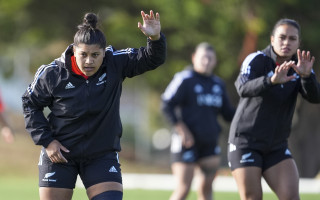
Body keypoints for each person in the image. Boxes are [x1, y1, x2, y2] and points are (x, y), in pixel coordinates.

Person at [22, 10, 166, 200]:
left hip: (101, 154)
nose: (89, 61)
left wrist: (155, 38)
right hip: (60, 155)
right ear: (74, 51)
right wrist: (47, 142)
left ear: (104, 53)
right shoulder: (52, 73)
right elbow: (29, 103)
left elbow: (151, 58)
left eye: (95, 55)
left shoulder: (115, 62)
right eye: (83, 54)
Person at [228, 18, 320, 200]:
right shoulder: (256, 60)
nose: (286, 42)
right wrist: (271, 81)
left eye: (292, 39)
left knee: (291, 197)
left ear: (298, 43)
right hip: (246, 142)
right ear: (272, 40)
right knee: (253, 197)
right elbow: (243, 88)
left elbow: (315, 97)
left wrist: (306, 77)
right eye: (282, 37)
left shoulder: (301, 67)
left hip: (276, 145)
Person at [161, 42, 235, 200]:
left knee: (206, 189)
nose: (206, 62)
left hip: (209, 142)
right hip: (185, 142)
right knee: (183, 189)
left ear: (215, 61)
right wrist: (182, 130)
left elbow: (228, 114)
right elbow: (166, 104)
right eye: (203, 58)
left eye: (210, 58)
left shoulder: (218, 84)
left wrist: (249, 108)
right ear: (194, 58)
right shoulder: (184, 79)